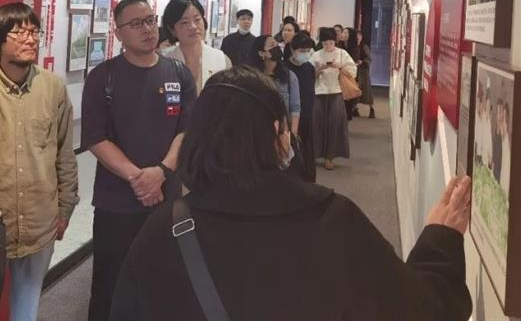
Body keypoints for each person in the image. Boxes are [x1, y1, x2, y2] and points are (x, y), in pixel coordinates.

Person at [111, 67, 473, 321]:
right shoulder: (333, 220)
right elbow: (419, 311)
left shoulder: (165, 229)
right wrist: (440, 239)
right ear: (277, 131)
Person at [0, 3, 78, 321]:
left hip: (40, 222)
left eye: (34, 32)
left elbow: (64, 153)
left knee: (26, 308)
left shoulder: (52, 87)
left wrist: (65, 208)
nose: (30, 39)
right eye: (19, 32)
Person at [81, 0, 197, 320]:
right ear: (118, 32)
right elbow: (95, 138)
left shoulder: (179, 74)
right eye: (135, 24)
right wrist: (138, 178)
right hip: (116, 204)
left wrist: (160, 172)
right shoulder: (103, 77)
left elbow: (187, 130)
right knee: (109, 286)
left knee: (162, 285)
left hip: (167, 202)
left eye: (149, 20)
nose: (146, 29)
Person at [163, 0, 231, 93]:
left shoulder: (222, 59)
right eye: (184, 22)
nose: (193, 26)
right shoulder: (164, 60)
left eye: (197, 20)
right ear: (172, 30)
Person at [310, 27, 357, 170]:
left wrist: (340, 67)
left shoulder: (342, 53)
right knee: (316, 125)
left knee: (335, 125)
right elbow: (309, 76)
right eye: (325, 43)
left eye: (331, 42)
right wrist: (319, 69)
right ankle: (314, 154)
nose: (328, 46)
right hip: (319, 93)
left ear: (335, 41)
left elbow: (353, 72)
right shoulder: (316, 55)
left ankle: (329, 157)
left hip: (336, 93)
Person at [250, 35, 300, 135]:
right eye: (272, 45)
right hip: (257, 131)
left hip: (282, 131)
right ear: (261, 53)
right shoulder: (253, 78)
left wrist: (293, 132)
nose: (277, 47)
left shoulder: (289, 77)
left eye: (277, 44)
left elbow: (295, 107)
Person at [287, 32, 316, 182]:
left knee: (307, 149)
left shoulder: (309, 68)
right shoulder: (285, 68)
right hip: (290, 117)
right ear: (292, 50)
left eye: (308, 51)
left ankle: (308, 180)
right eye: (302, 51)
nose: (305, 54)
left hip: (307, 115)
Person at [343, 27, 360, 120]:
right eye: (343, 32)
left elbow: (353, 62)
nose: (343, 34)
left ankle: (348, 116)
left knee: (348, 97)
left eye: (346, 33)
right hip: (340, 74)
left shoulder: (354, 48)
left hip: (349, 75)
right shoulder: (340, 45)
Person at [357, 30, 375, 118]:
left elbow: (369, 58)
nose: (357, 38)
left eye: (359, 36)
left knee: (366, 90)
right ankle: (354, 109)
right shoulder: (353, 47)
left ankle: (371, 108)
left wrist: (362, 62)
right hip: (356, 70)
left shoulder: (364, 47)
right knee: (356, 89)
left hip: (363, 71)